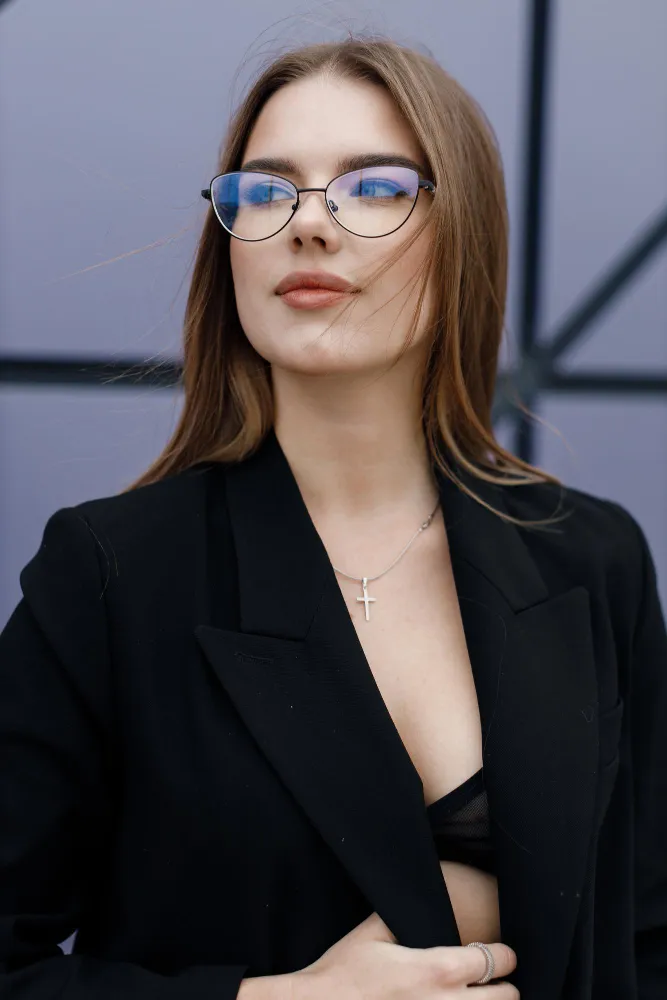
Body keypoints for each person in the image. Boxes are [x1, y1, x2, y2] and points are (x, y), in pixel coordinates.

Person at [1, 33, 666, 1000]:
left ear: (463, 228)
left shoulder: (590, 556)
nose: (309, 225)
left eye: (375, 186)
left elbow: (648, 940)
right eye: (265, 192)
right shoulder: (108, 572)